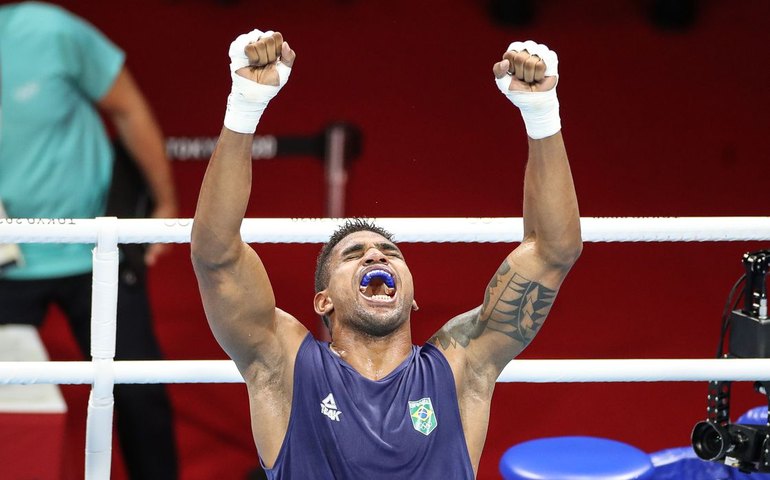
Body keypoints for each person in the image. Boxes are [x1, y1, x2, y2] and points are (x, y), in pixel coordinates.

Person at [191, 29, 581, 479]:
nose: (376, 256)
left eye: (389, 252)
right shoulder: (285, 367)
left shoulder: (460, 367)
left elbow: (554, 251)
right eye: (354, 254)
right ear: (324, 301)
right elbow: (215, 253)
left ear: (412, 296)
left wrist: (541, 112)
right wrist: (245, 103)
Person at [0, 3, 179, 479]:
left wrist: (163, 204)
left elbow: (128, 106)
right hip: (4, 260)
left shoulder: (49, 30)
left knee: (141, 394)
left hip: (95, 249)